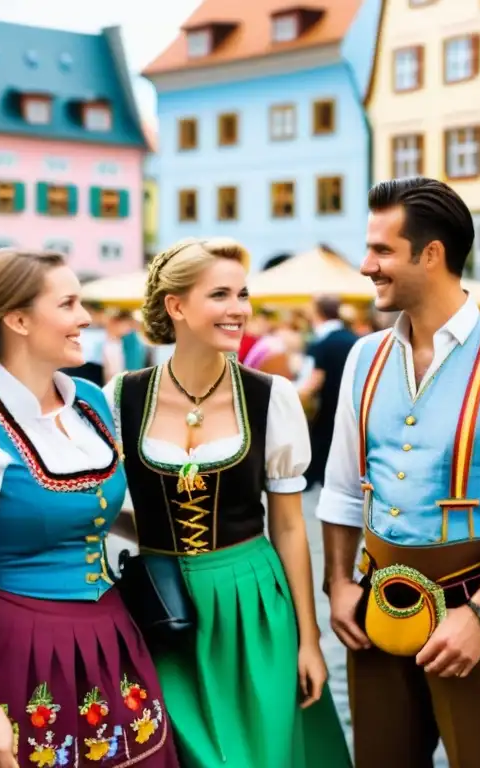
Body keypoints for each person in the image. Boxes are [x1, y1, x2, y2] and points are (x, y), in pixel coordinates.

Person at [317, 177, 480, 767]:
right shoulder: (363, 356)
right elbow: (343, 493)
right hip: (375, 605)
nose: (365, 265)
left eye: (381, 250)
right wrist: (339, 585)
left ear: (432, 255)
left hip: (475, 608)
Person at [0, 250, 178, 768]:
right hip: (23, 645)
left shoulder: (92, 403)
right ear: (19, 319)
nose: (85, 318)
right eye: (69, 303)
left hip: (113, 633)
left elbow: (90, 509)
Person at [105, 237, 350, 768]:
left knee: (258, 753)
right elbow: (102, 511)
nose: (239, 309)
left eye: (243, 294)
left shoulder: (269, 397)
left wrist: (310, 641)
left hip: (251, 600)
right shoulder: (121, 396)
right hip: (163, 606)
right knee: (179, 751)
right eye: (220, 294)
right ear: (176, 306)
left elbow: (288, 529)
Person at [299, 295, 358, 487]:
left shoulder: (322, 343)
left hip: (326, 410)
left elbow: (314, 381)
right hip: (354, 408)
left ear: (318, 313)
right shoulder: (355, 339)